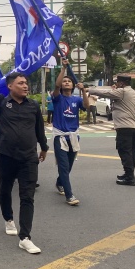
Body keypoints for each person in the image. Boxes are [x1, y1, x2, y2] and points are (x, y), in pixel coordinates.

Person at [0, 46, 48, 254]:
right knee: (4, 190)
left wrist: (43, 147)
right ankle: (8, 218)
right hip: (7, 157)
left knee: (28, 196)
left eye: (26, 83)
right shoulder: (1, 103)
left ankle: (25, 237)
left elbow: (39, 129)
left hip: (28, 159)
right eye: (21, 83)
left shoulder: (33, 106)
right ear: (10, 86)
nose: (25, 86)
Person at [89, 75, 135, 186]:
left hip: (124, 126)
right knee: (132, 150)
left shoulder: (122, 91)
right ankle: (128, 174)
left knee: (124, 150)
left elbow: (105, 93)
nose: (116, 84)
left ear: (121, 83)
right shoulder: (133, 92)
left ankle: (130, 177)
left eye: (117, 82)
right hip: (134, 126)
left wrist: (88, 89)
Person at [52, 59, 89, 206]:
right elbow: (56, 85)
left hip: (74, 136)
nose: (66, 82)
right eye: (64, 81)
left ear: (73, 85)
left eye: (69, 81)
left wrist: (83, 91)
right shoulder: (57, 98)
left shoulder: (77, 99)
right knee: (63, 166)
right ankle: (69, 195)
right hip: (60, 136)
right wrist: (63, 69)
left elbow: (86, 106)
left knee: (69, 166)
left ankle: (59, 182)